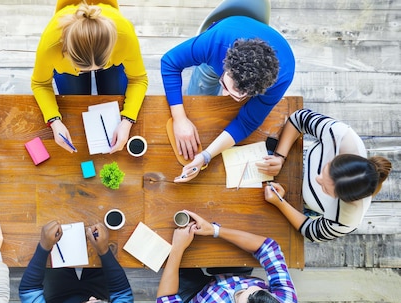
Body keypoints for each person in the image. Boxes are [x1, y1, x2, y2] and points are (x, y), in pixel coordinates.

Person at [161, 16, 295, 181]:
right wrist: (180, 119)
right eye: (225, 85)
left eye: (236, 96)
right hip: (223, 40)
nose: (224, 95)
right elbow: (169, 62)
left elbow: (247, 122)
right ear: (226, 65)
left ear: (258, 92)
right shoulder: (215, 42)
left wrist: (206, 156)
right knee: (201, 85)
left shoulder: (281, 79)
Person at [156, 210, 298, 303]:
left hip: (196, 296)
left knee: (165, 251)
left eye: (240, 295)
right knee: (231, 224)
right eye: (254, 289)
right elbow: (269, 248)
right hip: (231, 275)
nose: (242, 288)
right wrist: (214, 230)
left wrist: (177, 248)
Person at [256, 109, 392, 242]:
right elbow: (299, 118)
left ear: (343, 199)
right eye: (325, 169)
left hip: (302, 204)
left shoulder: (346, 220)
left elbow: (311, 230)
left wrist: (280, 202)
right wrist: (280, 156)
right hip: (294, 158)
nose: (317, 178)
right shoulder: (341, 136)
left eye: (324, 188)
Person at [32, 0, 148, 153]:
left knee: (114, 97)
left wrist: (127, 120)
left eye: (99, 67)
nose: (92, 72)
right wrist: (54, 120)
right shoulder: (50, 44)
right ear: (65, 51)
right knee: (75, 100)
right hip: (67, 59)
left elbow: (139, 78)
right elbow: (40, 83)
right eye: (82, 69)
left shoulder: (124, 35)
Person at [19, 220, 136, 303]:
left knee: (54, 244)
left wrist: (44, 247)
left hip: (58, 299)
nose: (92, 298)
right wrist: (104, 251)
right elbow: (121, 293)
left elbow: (29, 289)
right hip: (99, 290)